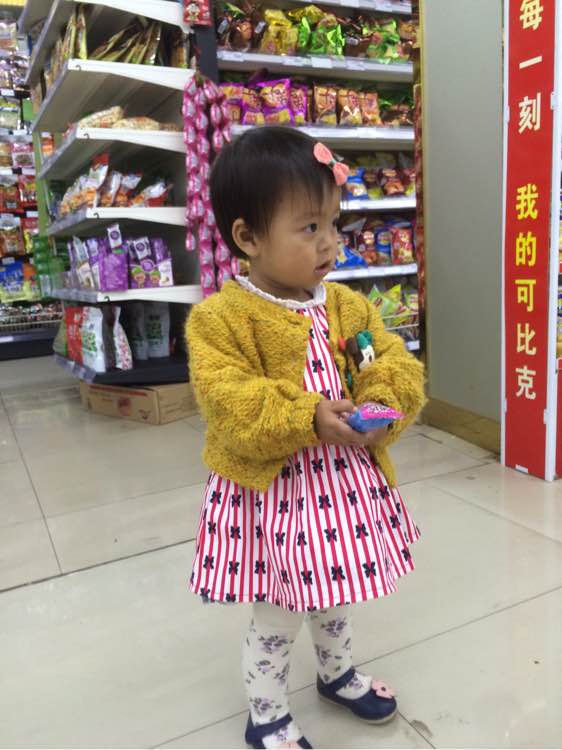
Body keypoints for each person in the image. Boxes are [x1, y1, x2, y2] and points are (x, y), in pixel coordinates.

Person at [186, 127, 426, 749]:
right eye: (310, 227)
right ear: (248, 237)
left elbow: (388, 361)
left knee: (335, 588)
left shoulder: (346, 305)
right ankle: (265, 711)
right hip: (276, 497)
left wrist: (382, 406)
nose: (330, 242)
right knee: (280, 609)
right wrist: (307, 416)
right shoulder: (221, 319)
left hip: (342, 488)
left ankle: (336, 674)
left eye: (334, 224)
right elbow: (228, 400)